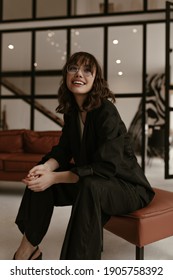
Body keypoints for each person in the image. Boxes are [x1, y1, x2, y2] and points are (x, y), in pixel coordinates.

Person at [13, 51, 155, 260]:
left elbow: (106, 167)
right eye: (73, 68)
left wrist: (56, 177)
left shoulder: (106, 112)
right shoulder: (72, 112)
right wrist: (46, 169)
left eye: (87, 70)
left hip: (127, 186)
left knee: (89, 186)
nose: (79, 73)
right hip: (93, 179)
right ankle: (29, 249)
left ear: (96, 78)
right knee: (42, 174)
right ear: (66, 75)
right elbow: (63, 150)